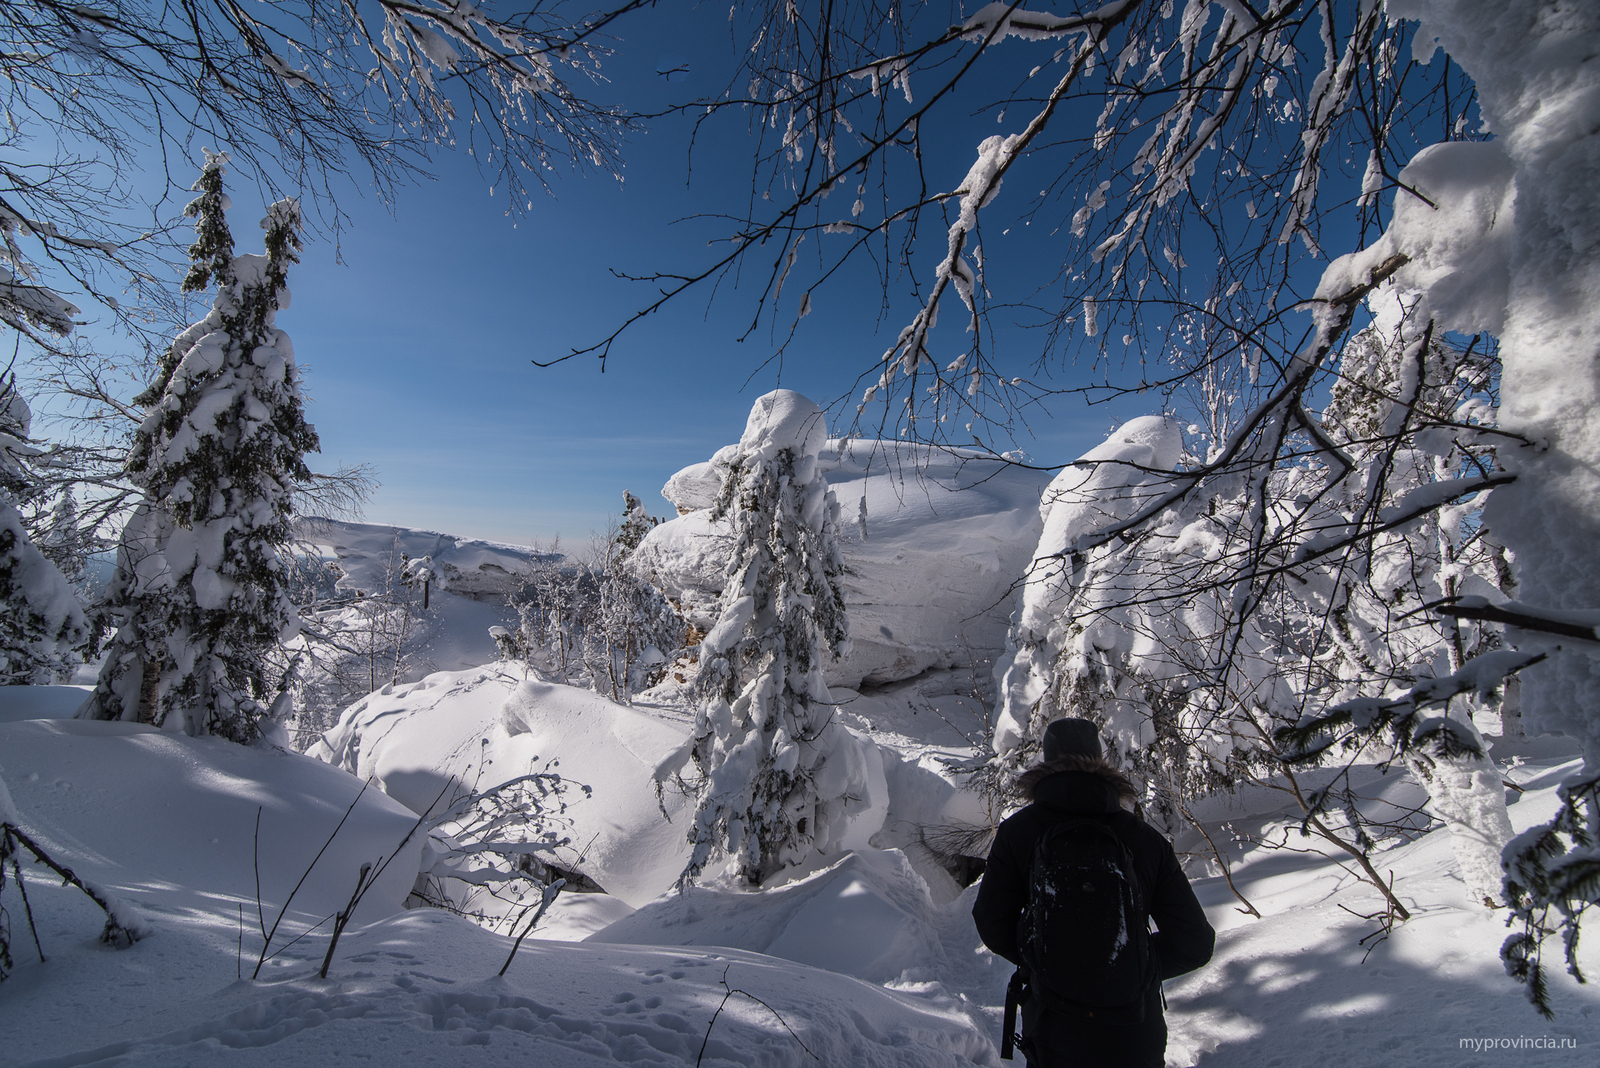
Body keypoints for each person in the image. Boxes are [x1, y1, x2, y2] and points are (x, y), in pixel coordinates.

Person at [973, 718, 1215, 1067]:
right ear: (1100, 761)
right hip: (1134, 1032)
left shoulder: (1018, 833)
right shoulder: (1145, 841)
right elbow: (1195, 943)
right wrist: (1131, 963)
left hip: (1053, 1029)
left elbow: (991, 920)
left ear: (1046, 762)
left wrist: (1047, 958)